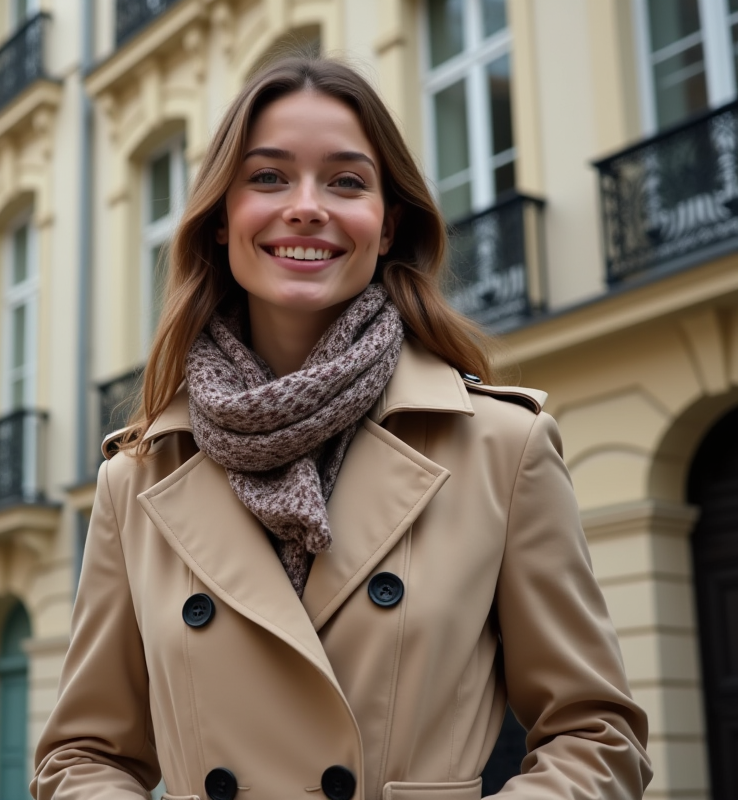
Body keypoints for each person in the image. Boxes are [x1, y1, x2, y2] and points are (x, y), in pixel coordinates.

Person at [32, 56, 651, 800]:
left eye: (347, 181)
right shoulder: (137, 480)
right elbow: (85, 755)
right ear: (221, 222)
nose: (306, 206)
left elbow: (595, 734)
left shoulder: (501, 446)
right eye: (267, 177)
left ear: (388, 226)